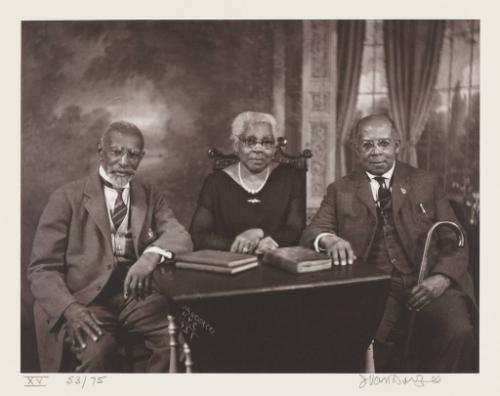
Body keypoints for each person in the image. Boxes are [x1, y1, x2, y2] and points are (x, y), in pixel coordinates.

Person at [300, 114, 475, 372]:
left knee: (457, 331)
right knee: (361, 342)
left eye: (383, 143)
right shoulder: (341, 190)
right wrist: (330, 239)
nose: (376, 151)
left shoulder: (426, 182)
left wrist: (441, 278)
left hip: (427, 279)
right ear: (356, 149)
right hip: (377, 286)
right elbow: (311, 233)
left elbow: (455, 239)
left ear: (397, 145)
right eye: (368, 145)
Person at [28, 121, 193, 372]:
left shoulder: (149, 194)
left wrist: (150, 257)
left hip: (134, 297)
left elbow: (179, 235)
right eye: (117, 152)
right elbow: (41, 270)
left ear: (141, 157)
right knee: (99, 353)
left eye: (133, 154)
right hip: (83, 299)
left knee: (177, 341)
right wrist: (71, 309)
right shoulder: (65, 198)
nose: (124, 161)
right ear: (100, 151)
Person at [190, 111, 305, 255]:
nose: (258, 149)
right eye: (250, 141)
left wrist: (262, 234)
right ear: (236, 146)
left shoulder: (290, 177)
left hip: (276, 263)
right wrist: (239, 244)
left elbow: (295, 229)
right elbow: (198, 235)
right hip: (229, 265)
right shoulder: (215, 183)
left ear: (275, 148)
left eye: (267, 142)